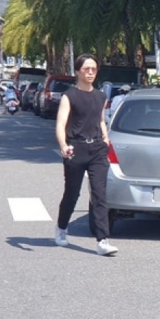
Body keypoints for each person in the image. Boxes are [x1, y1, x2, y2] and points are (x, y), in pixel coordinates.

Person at [55, 54, 118, 256]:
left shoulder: (100, 96)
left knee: (100, 194)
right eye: (86, 69)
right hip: (75, 148)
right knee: (72, 193)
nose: (90, 72)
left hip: (97, 150)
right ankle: (61, 227)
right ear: (77, 71)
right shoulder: (69, 96)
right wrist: (63, 145)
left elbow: (100, 120)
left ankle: (102, 240)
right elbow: (60, 124)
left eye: (93, 69)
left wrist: (105, 138)